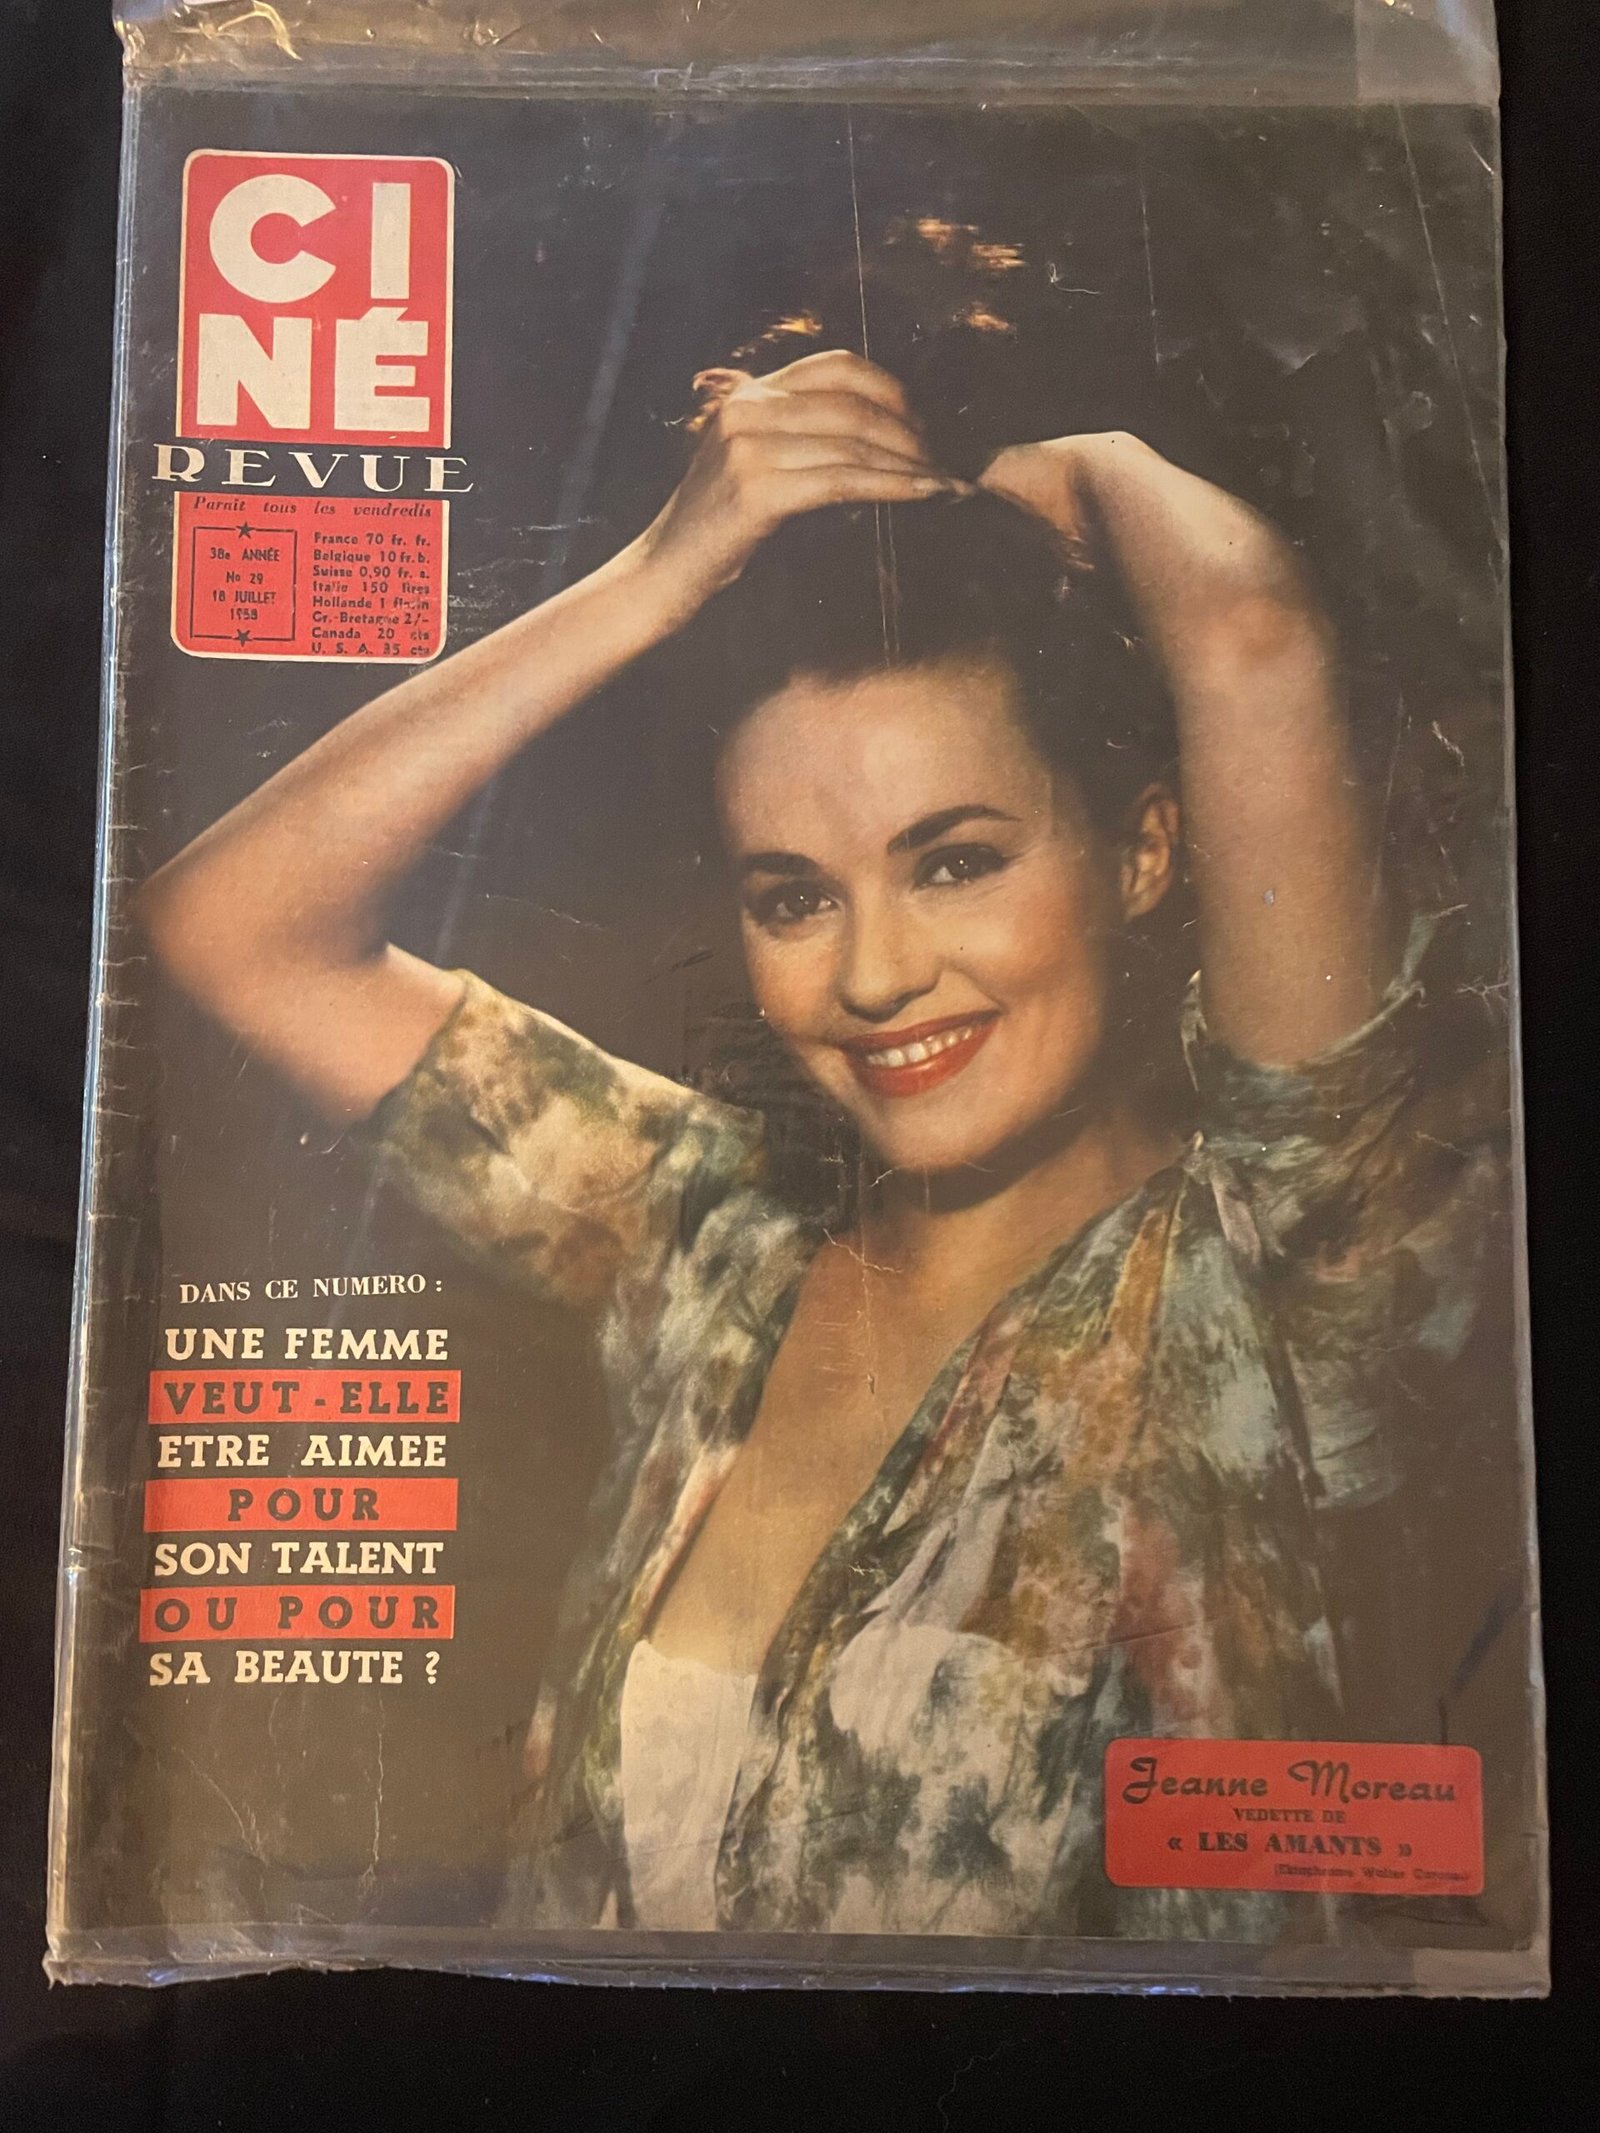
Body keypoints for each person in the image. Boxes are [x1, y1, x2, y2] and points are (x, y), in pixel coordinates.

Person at [140, 350, 1494, 1943]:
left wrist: (1073, 463)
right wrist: (657, 578)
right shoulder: (704, 1232)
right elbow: (235, 927)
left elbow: (1253, 636)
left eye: (956, 860)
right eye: (794, 895)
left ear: (1140, 853)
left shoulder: (1281, 1260)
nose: (872, 975)